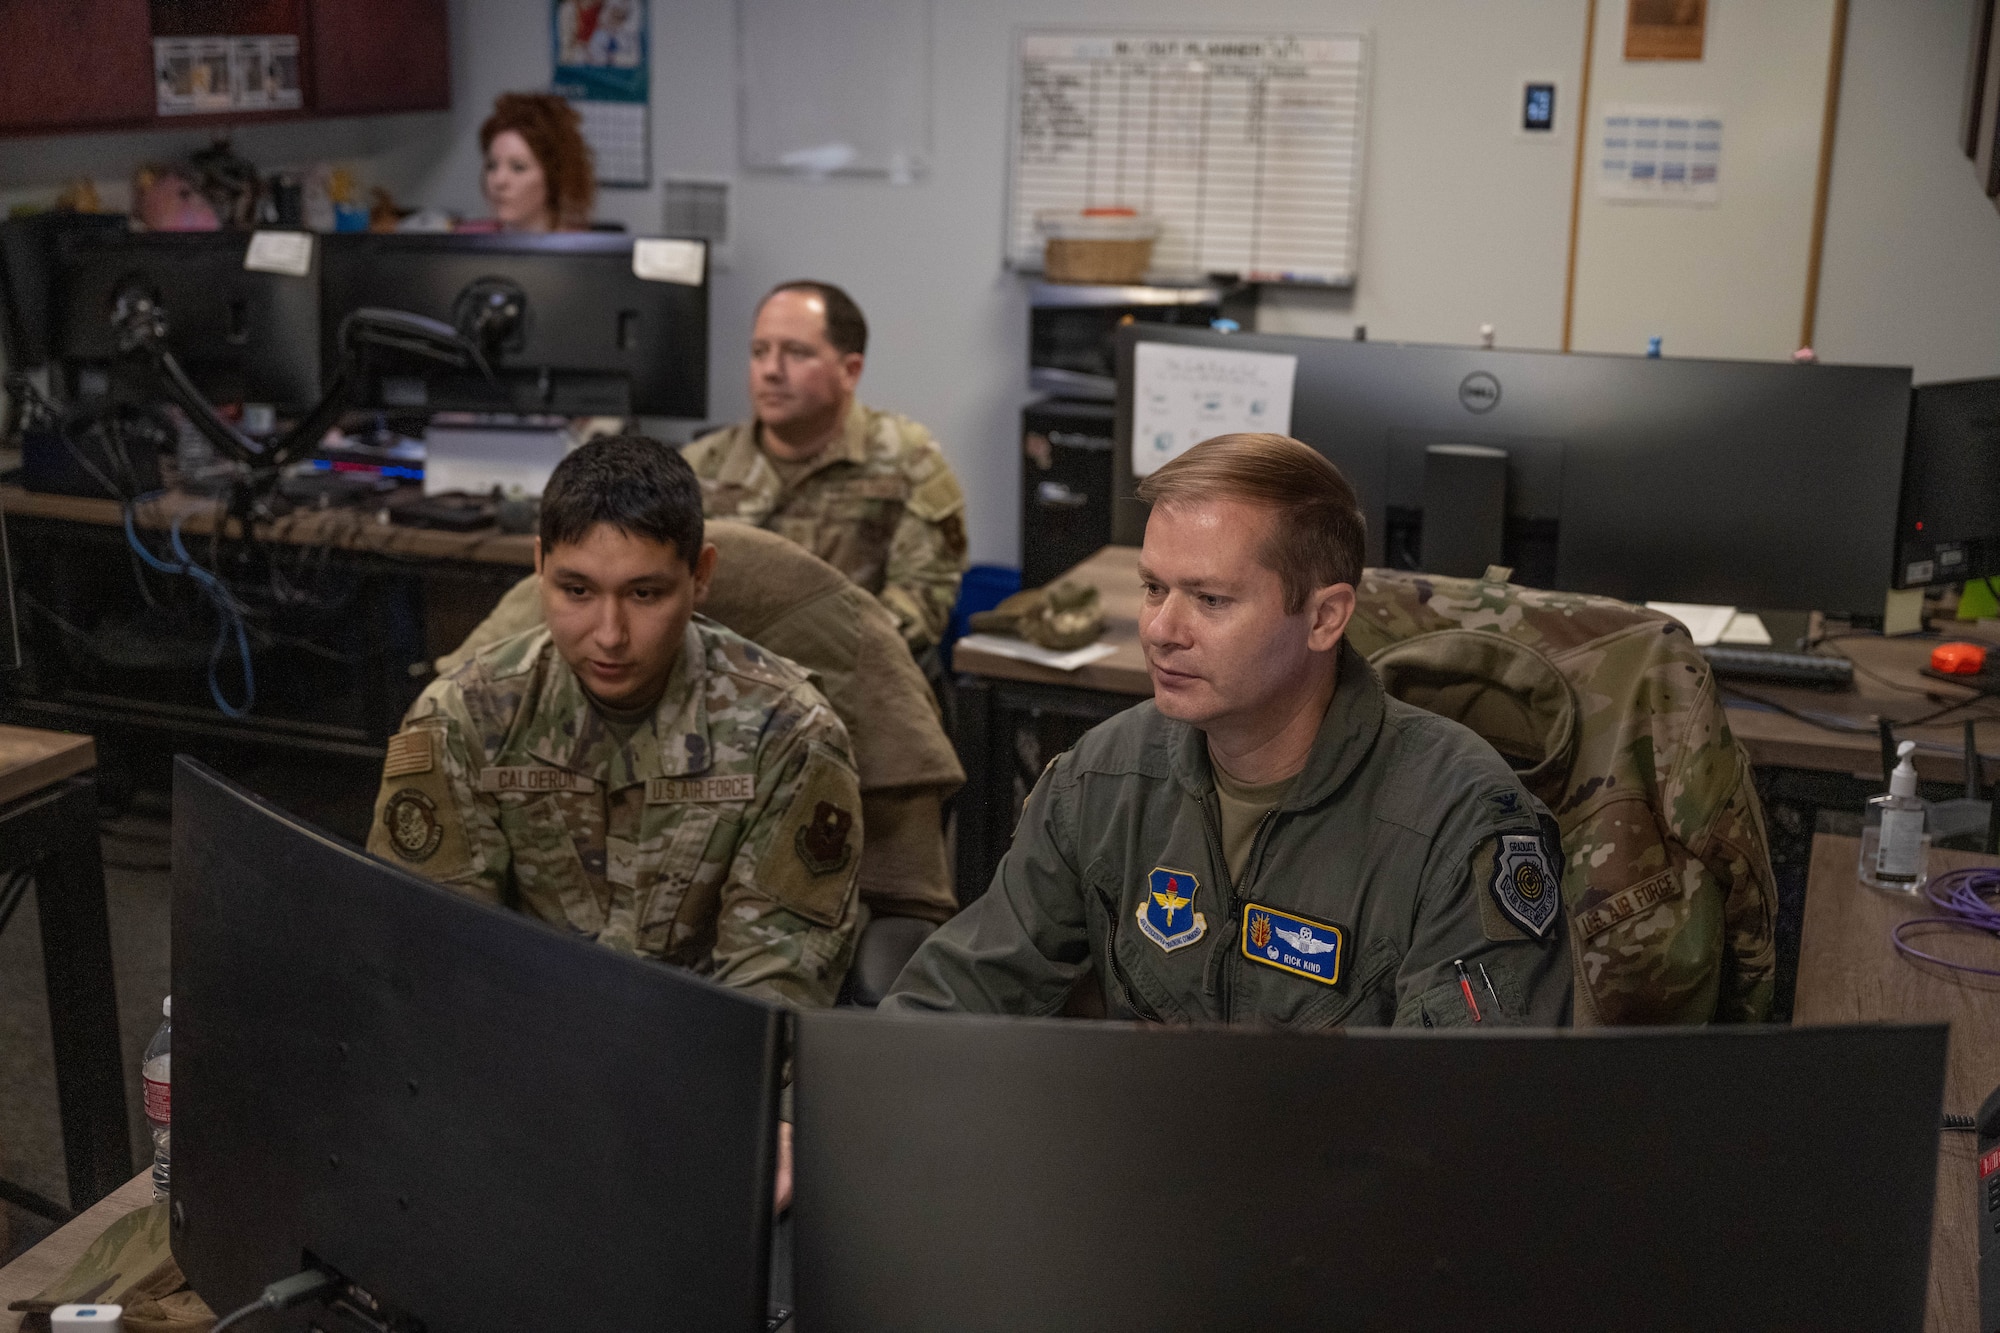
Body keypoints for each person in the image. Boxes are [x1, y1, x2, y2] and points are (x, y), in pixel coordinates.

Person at [881, 432, 1574, 1027]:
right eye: (1155, 588)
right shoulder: (1106, 776)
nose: (1160, 630)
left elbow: (1472, 1118)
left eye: (1210, 599)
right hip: (1146, 1159)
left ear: (1326, 618)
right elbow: (958, 996)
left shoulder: (1461, 824)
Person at [366, 435, 864, 1009]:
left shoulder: (789, 733)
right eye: (576, 590)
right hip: (513, 1044)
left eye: (645, 593)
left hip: (705, 1057)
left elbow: (776, 990)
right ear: (539, 568)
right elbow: (434, 954)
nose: (609, 635)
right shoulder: (463, 719)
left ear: (700, 576)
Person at [682, 281, 968, 654]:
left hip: (858, 680)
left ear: (849, 370)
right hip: (728, 682)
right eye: (759, 351)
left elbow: (923, 599)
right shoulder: (700, 466)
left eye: (796, 353)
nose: (770, 370)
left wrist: (811, 651)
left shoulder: (906, 459)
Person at [471, 91, 595, 233]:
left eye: (518, 168)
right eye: (491, 166)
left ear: (554, 176)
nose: (499, 181)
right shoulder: (466, 243)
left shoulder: (582, 249)